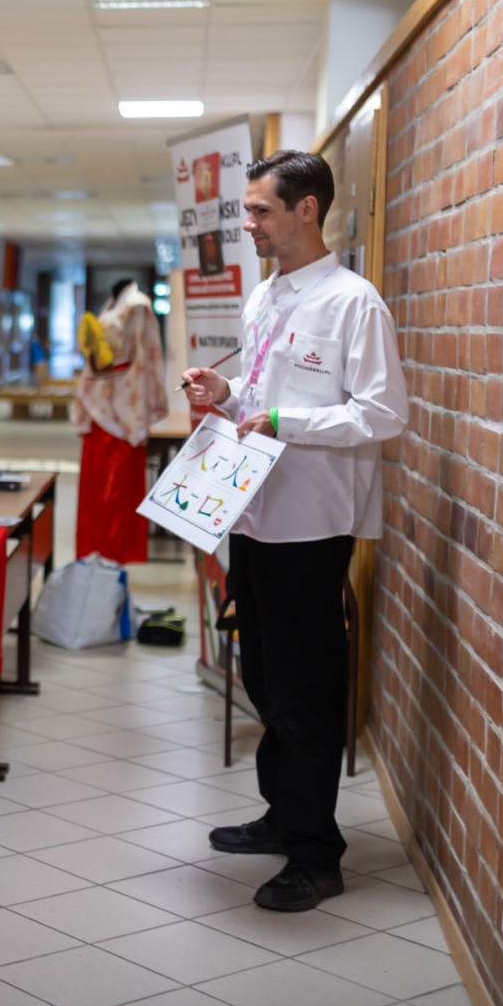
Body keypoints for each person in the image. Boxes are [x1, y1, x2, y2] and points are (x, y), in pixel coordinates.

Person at [181, 150, 407, 912]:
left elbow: (382, 413)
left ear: (306, 209)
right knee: (267, 680)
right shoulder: (265, 297)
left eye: (260, 210)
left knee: (305, 688)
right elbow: (261, 390)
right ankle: (283, 815)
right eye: (246, 210)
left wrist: (286, 421)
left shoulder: (353, 303)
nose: (246, 224)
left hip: (311, 525)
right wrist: (226, 390)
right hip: (251, 511)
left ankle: (316, 853)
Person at [74, 277, 167, 563]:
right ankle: (94, 561)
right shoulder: (115, 305)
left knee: (114, 495)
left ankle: (111, 561)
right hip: (101, 407)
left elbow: (145, 356)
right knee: (96, 496)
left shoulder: (137, 306)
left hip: (121, 409)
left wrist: (140, 406)